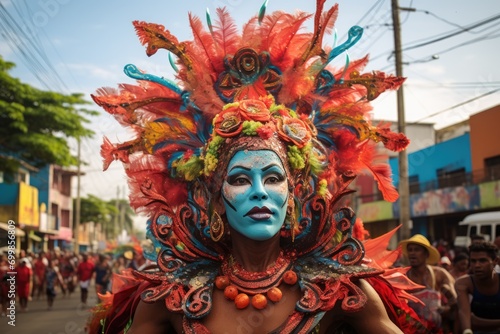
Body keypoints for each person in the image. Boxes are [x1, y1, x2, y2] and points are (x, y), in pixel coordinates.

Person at [87, 2, 429, 333]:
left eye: (273, 178)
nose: (259, 191)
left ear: (293, 195)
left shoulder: (341, 293)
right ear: (216, 199)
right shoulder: (169, 299)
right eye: (239, 179)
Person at [399, 234, 457, 333]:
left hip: (438, 329)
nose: (412, 253)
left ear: (426, 254)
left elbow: (455, 300)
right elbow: (398, 308)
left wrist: (443, 310)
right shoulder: (402, 277)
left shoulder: (439, 274)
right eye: (410, 250)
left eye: (417, 250)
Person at [455, 241, 500, 333]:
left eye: (482, 260)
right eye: (473, 261)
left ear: (495, 261)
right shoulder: (463, 283)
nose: (477, 265)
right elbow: (466, 318)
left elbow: (475, 321)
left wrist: (479, 322)